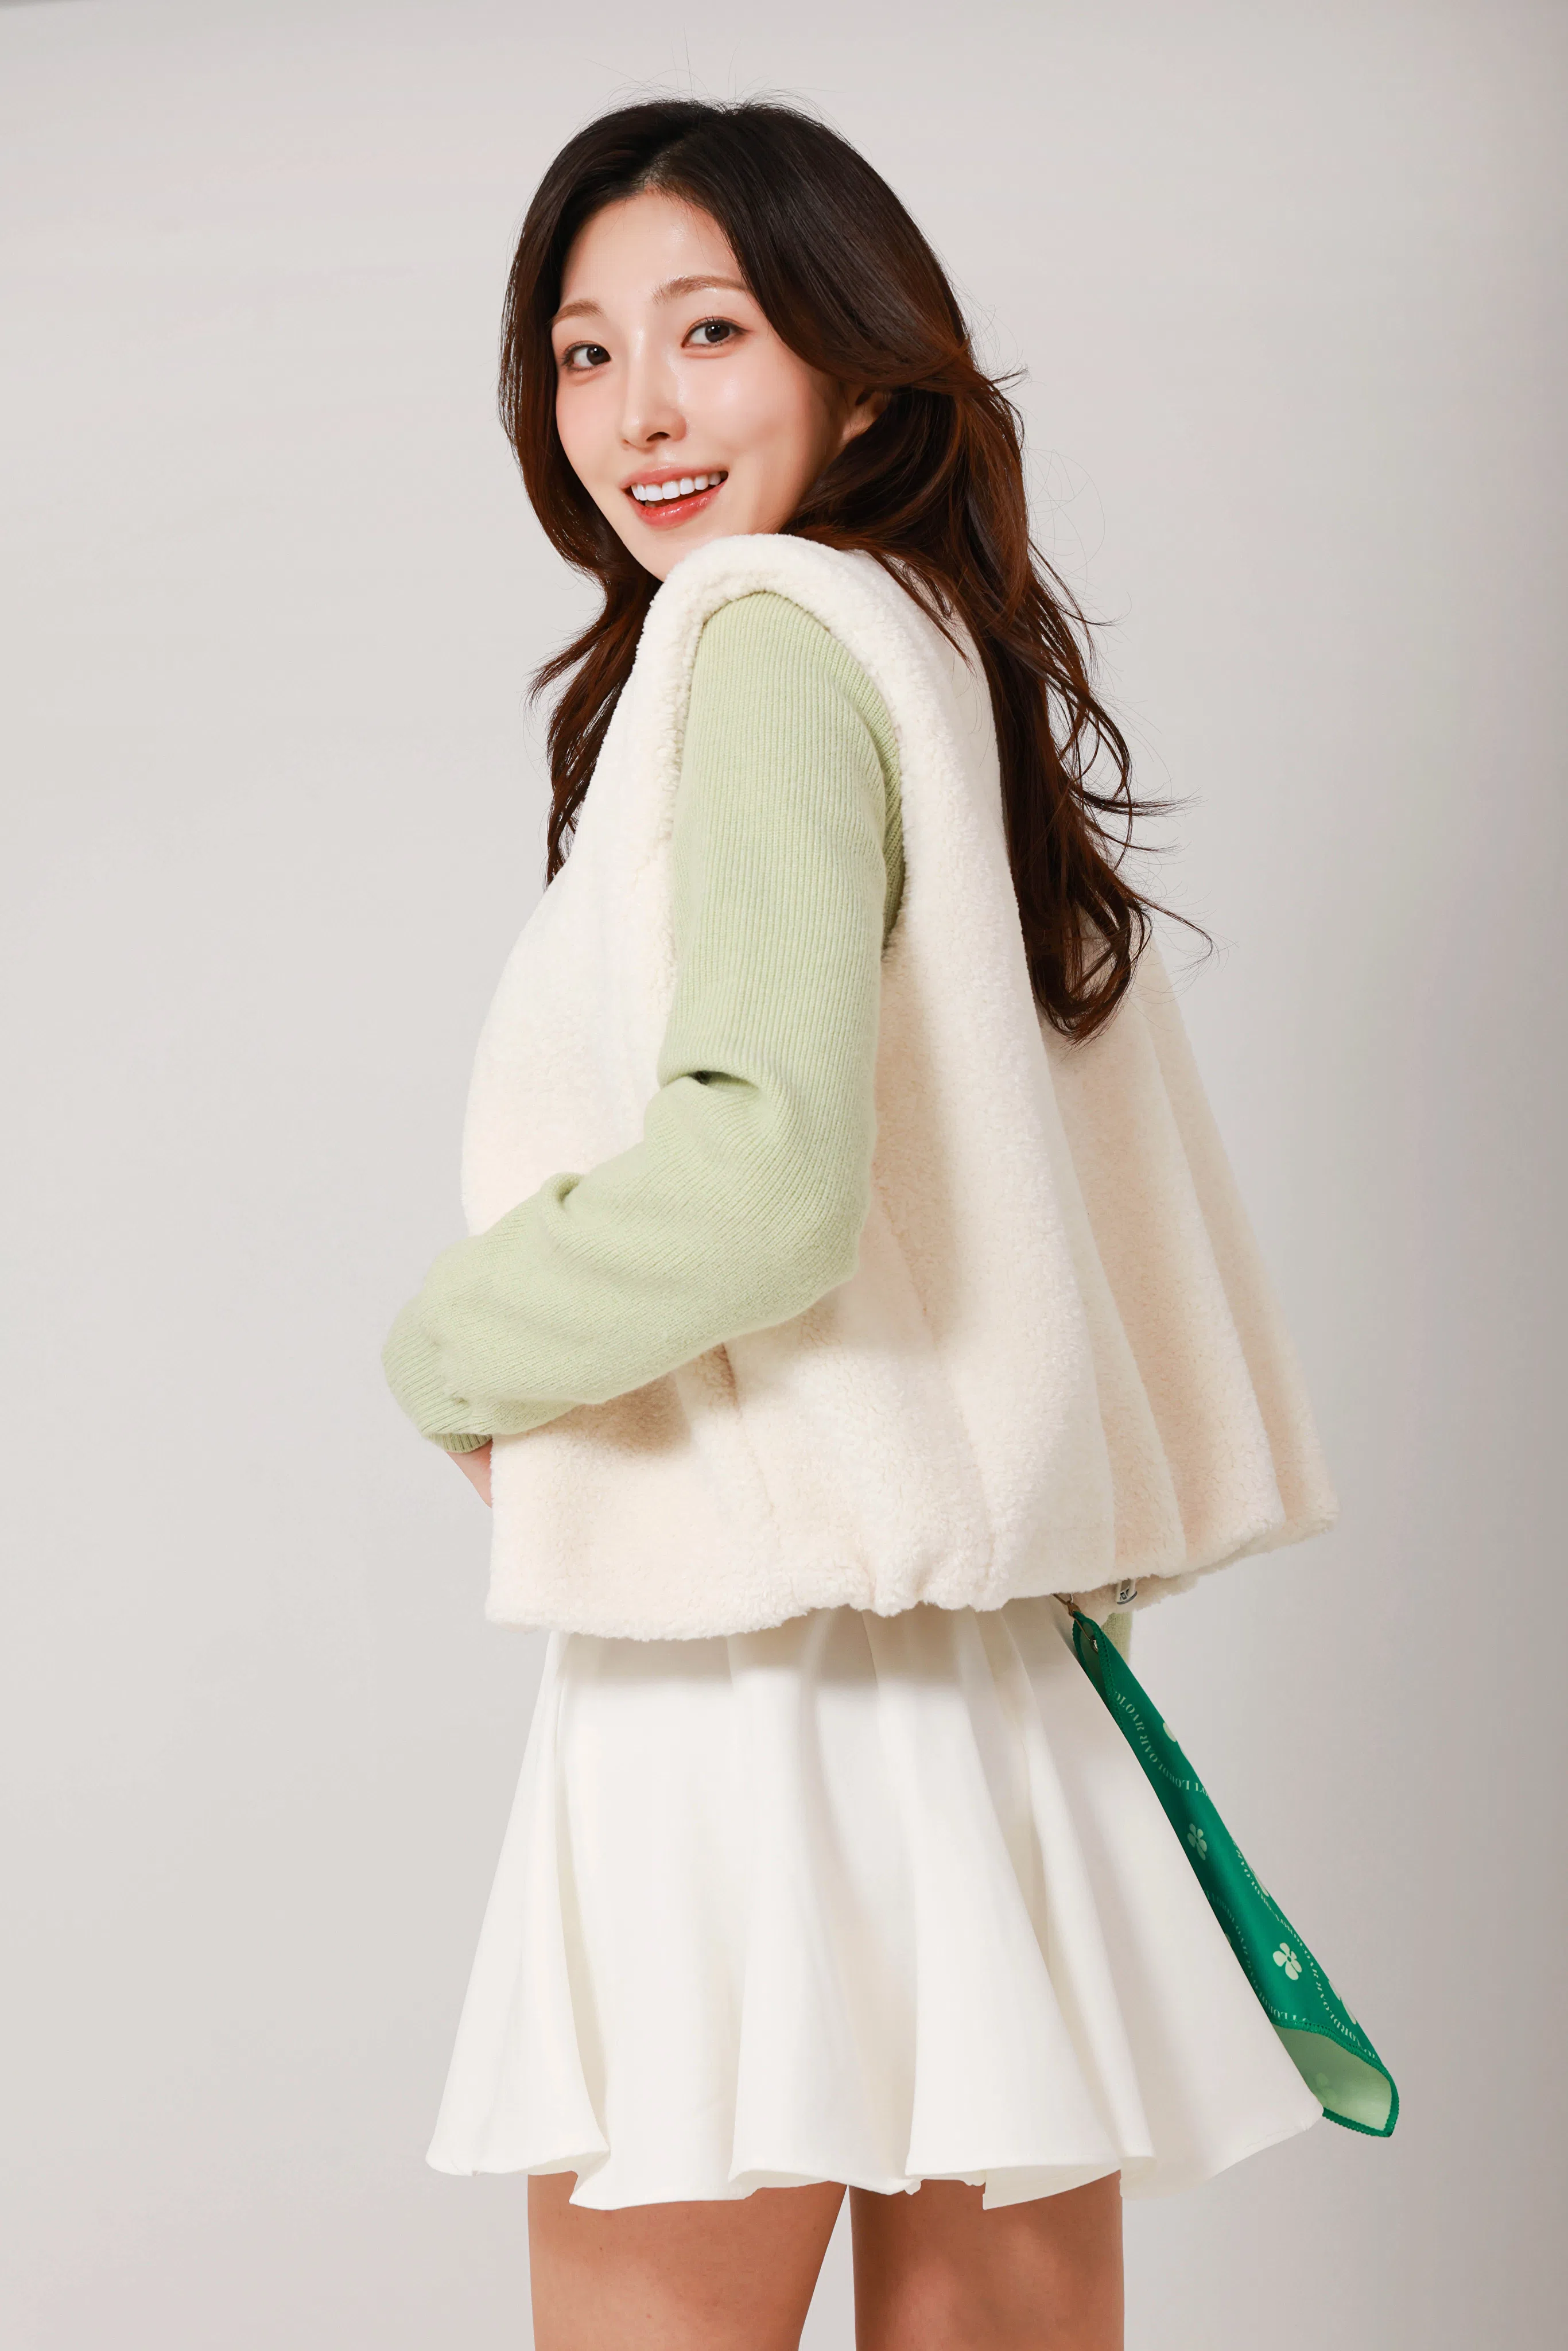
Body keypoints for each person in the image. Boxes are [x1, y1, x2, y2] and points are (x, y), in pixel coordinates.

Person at [382, 96, 1338, 2351]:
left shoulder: (762, 644)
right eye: (584, 351)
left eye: (707, 331)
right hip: (993, 1692)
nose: (637, 409)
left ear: (859, 366)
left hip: (749, 1685)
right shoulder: (933, 652)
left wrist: (450, 1354)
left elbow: (762, 1170)